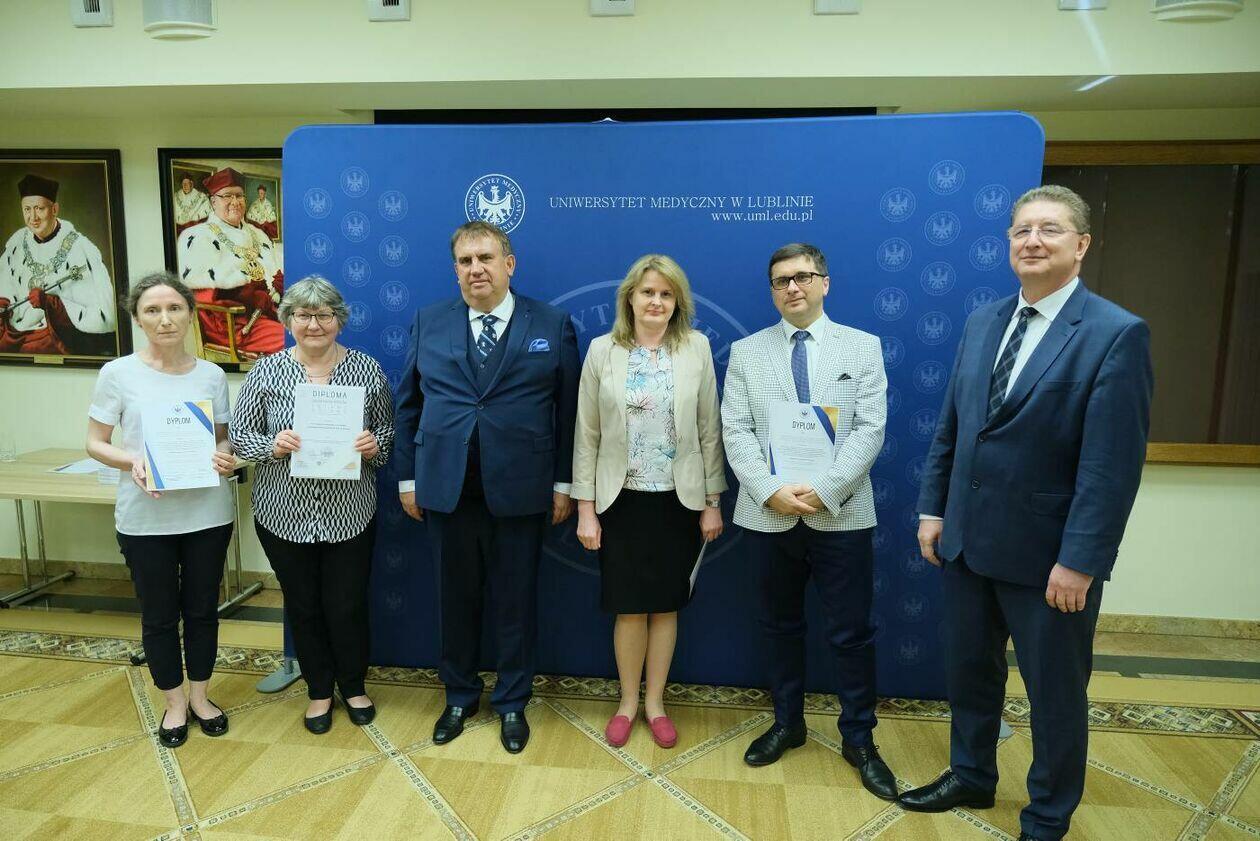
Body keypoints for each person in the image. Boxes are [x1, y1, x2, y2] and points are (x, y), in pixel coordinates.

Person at [900, 186, 1153, 841]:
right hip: (966, 543)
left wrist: (1081, 561)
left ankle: (1047, 813)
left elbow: (1110, 468)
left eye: (1050, 229)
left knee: (1055, 693)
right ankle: (971, 774)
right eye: (1021, 230)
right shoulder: (984, 321)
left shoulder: (1115, 334)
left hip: (1049, 560)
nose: (1032, 241)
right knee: (969, 673)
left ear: (1081, 244)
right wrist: (933, 509)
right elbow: (954, 427)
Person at [721, 242, 898, 801]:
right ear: (772, 291)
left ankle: (859, 739)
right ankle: (787, 723)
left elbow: (870, 428)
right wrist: (770, 490)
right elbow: (735, 430)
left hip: (842, 514)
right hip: (767, 514)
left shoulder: (862, 347)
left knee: (851, 633)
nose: (792, 287)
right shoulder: (747, 352)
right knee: (778, 626)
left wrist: (824, 491)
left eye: (802, 276)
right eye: (781, 281)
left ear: (825, 282)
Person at [395, 220, 579, 754]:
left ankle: (513, 702)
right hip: (446, 488)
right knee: (455, 600)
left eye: (486, 258)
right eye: (465, 261)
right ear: (455, 270)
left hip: (522, 489)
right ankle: (458, 695)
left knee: (516, 602)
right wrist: (408, 478)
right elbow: (409, 406)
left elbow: (569, 412)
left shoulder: (552, 323)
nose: (476, 269)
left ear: (509, 264)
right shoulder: (429, 320)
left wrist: (564, 482)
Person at [572, 254, 726, 749]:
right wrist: (585, 509)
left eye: (665, 294)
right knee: (629, 608)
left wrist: (712, 501)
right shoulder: (602, 351)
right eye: (647, 292)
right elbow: (586, 435)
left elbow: (709, 429)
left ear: (677, 302)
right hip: (620, 501)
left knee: (664, 607)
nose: (656, 301)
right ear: (630, 299)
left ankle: (656, 704)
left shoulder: (696, 348)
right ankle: (627, 704)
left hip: (679, 500)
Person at [230, 276, 395, 734]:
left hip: (350, 513)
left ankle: (354, 686)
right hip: (283, 513)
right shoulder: (266, 372)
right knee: (303, 605)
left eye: (324, 315)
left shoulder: (366, 370)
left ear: (339, 320)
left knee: (347, 605)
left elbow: (387, 433)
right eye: (303, 315)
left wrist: (372, 445)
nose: (314, 324)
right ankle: (319, 690)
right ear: (288, 320)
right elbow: (241, 437)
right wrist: (273, 445)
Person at [85, 272, 237, 748]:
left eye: (174, 308)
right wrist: (133, 461)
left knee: (203, 611)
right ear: (137, 319)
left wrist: (226, 456)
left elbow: (223, 438)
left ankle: (201, 696)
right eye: (152, 310)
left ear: (190, 314)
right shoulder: (117, 374)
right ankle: (173, 702)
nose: (165, 318)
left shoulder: (211, 375)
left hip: (207, 515)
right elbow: (94, 443)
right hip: (145, 519)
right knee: (158, 615)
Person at [0, 174, 117, 356]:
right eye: (27, 209)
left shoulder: (82, 248)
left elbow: (105, 314)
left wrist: (52, 304)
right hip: (15, 329)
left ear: (54, 209)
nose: (33, 217)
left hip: (58, 335)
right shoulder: (17, 242)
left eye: (39, 209)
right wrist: (3, 300)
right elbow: (5, 282)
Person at [178, 167, 284, 359]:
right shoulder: (198, 236)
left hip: (271, 313)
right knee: (293, 341)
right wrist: (250, 295)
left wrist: (277, 291)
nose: (235, 202)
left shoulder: (258, 235)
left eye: (239, 196)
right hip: (233, 324)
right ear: (213, 202)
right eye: (227, 196)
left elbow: (275, 277)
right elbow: (204, 294)